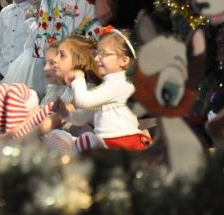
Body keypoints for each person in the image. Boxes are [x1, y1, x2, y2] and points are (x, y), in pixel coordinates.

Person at [46, 27, 151, 155]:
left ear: (123, 60)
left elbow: (83, 102)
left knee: (90, 139)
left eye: (104, 54)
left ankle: (80, 148)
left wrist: (79, 77)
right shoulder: (107, 85)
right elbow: (83, 118)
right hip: (106, 142)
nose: (96, 58)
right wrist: (66, 113)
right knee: (64, 136)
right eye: (97, 53)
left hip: (122, 144)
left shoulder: (121, 84)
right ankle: (78, 146)